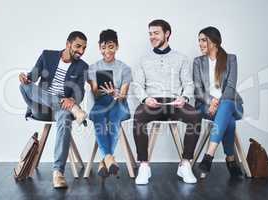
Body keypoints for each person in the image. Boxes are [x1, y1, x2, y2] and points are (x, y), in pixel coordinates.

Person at [133, 19, 202, 185]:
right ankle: (144, 165)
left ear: (167, 34)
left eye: (156, 33)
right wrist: (145, 99)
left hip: (175, 102)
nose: (152, 37)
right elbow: (137, 85)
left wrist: (184, 98)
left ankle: (185, 164)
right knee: (138, 117)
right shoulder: (143, 59)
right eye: (150, 34)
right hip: (151, 102)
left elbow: (188, 84)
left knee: (195, 116)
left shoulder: (182, 58)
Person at [18, 31, 89, 188]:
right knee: (24, 86)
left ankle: (58, 173)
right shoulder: (47, 56)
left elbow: (80, 91)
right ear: (67, 44)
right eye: (78, 46)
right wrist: (25, 77)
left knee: (64, 118)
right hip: (40, 107)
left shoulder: (82, 66)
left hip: (62, 108)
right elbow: (32, 78)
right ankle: (75, 110)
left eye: (84, 48)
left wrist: (73, 100)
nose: (81, 51)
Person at [193, 26, 244, 178]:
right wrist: (211, 102)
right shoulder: (198, 62)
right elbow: (198, 90)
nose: (200, 44)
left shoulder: (231, 59)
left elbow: (230, 87)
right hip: (206, 107)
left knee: (226, 104)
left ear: (214, 42)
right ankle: (231, 159)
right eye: (199, 40)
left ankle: (209, 155)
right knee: (229, 121)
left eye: (204, 40)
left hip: (232, 104)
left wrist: (217, 103)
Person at [88, 29, 132, 178]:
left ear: (117, 47)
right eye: (103, 47)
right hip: (101, 103)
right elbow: (95, 92)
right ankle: (109, 158)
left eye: (111, 46)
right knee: (99, 115)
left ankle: (105, 158)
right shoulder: (93, 68)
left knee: (113, 116)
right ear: (99, 47)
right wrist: (104, 92)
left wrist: (116, 94)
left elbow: (124, 95)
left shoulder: (125, 68)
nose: (107, 51)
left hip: (119, 104)